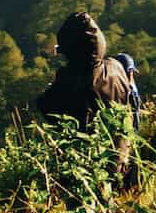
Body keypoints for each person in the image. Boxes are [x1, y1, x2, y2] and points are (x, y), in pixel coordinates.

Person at [38, 12, 133, 179]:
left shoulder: (69, 85)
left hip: (92, 173)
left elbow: (45, 107)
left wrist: (61, 79)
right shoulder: (116, 66)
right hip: (123, 160)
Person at [113, 53, 142, 130]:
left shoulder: (131, 86)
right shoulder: (118, 88)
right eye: (128, 72)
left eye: (131, 71)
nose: (130, 75)